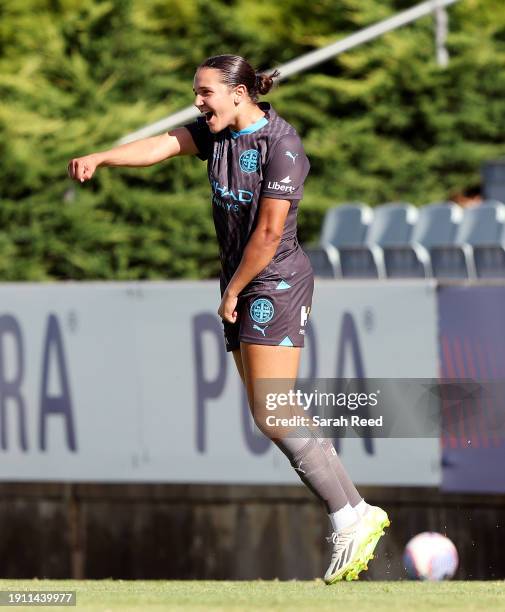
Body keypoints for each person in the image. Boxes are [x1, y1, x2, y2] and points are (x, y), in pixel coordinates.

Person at [67, 53, 389, 583]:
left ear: (239, 94)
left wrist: (233, 291)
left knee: (274, 410)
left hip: (273, 282)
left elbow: (267, 234)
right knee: (272, 412)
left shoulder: (281, 146)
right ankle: (352, 510)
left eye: (205, 93)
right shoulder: (217, 135)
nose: (198, 101)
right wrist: (101, 157)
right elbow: (162, 146)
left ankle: (349, 514)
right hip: (243, 281)